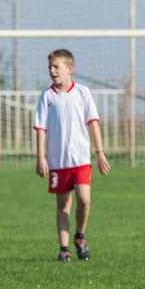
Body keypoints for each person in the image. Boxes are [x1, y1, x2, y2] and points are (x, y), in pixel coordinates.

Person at [33, 49, 111, 262]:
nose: (52, 71)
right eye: (50, 67)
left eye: (56, 67)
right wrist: (41, 157)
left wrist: (99, 152)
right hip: (58, 161)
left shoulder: (82, 92)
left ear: (69, 69)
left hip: (81, 159)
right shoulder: (47, 96)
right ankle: (64, 248)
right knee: (63, 205)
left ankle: (80, 235)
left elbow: (93, 122)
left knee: (84, 200)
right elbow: (40, 127)